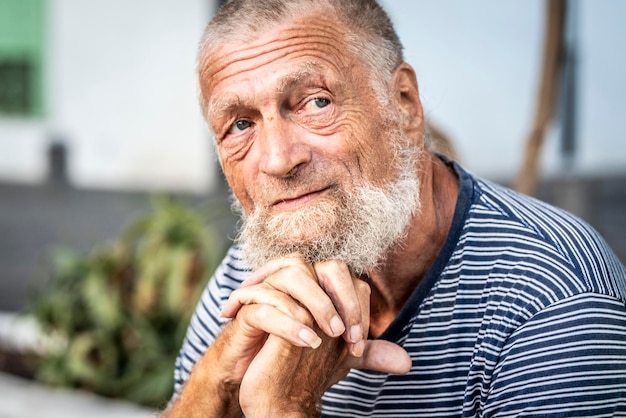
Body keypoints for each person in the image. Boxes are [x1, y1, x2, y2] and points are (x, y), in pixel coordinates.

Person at [163, 0, 626, 416]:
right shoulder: (254, 271)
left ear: (403, 104)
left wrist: (283, 407)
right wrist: (218, 381)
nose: (279, 160)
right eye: (241, 124)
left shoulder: (551, 298)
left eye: (315, 102)